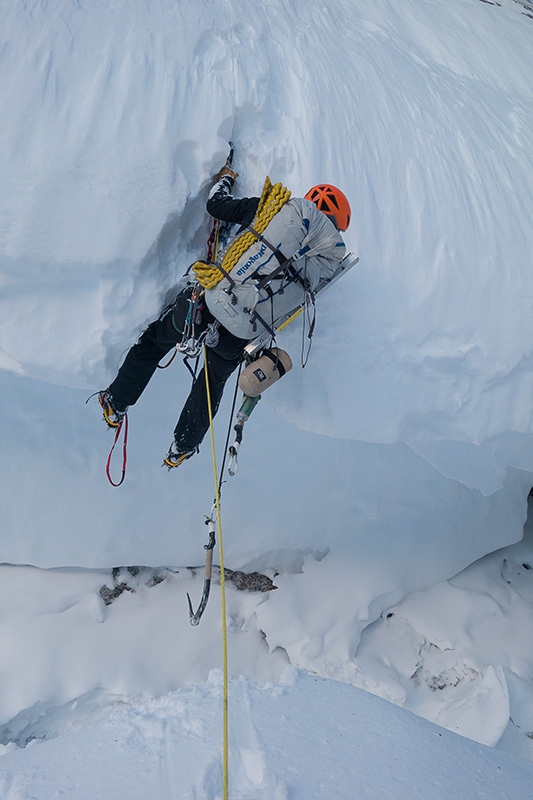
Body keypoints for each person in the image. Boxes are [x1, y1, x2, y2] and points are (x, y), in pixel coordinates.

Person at [98, 169, 351, 468]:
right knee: (211, 383)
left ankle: (116, 404)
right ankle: (182, 446)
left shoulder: (272, 210)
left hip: (205, 307)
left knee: (154, 342)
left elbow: (216, 206)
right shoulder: (327, 263)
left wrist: (226, 179)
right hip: (239, 336)